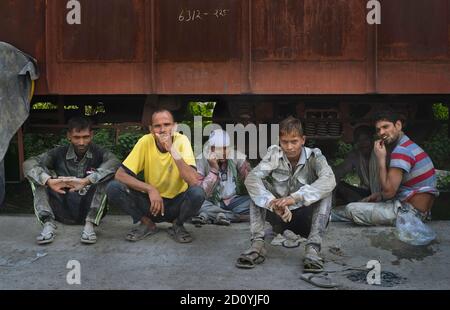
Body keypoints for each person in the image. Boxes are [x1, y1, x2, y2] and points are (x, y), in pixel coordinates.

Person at [236, 116, 336, 272]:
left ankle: (313, 249)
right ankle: (257, 245)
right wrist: (272, 203)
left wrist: (293, 198)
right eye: (285, 142)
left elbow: (329, 180)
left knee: (326, 191)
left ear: (303, 140)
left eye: (294, 141)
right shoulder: (274, 154)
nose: (289, 147)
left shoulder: (315, 157)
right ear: (279, 141)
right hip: (280, 217)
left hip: (305, 219)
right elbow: (252, 178)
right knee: (256, 185)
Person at [106, 109, 205, 243]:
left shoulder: (182, 140)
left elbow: (193, 181)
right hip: (151, 205)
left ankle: (178, 224)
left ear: (175, 127)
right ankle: (147, 223)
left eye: (167, 124)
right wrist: (150, 189)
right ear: (151, 129)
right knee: (113, 188)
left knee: (198, 193)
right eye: (157, 126)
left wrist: (172, 149)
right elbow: (120, 175)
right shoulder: (145, 141)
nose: (162, 129)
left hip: (177, 204)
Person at [23, 117, 120, 245]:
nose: (81, 142)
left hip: (90, 208)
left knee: (107, 176)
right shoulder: (57, 153)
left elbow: (115, 163)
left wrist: (87, 180)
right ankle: (48, 223)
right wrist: (48, 181)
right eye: (76, 137)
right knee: (37, 176)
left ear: (91, 135)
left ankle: (90, 225)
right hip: (61, 208)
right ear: (69, 136)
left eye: (85, 137)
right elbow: (28, 164)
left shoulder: (100, 153)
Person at [336, 111, 438, 226]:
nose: (382, 133)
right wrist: (379, 196)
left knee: (351, 209)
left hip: (410, 214)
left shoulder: (401, 151)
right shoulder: (407, 146)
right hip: (414, 210)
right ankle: (328, 215)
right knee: (361, 204)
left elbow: (389, 192)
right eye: (378, 130)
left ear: (398, 125)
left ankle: (326, 217)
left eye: (386, 127)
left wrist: (381, 158)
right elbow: (390, 191)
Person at [192, 129, 251, 226]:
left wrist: (247, 173)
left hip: (232, 201)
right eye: (219, 149)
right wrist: (214, 169)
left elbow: (250, 180)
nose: (224, 152)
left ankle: (210, 216)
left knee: (255, 203)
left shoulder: (236, 156)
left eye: (226, 148)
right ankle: (233, 217)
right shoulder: (201, 159)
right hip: (209, 202)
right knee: (195, 204)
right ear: (212, 149)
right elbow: (200, 192)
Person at [333, 125, 379, 205]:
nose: (363, 143)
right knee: (339, 185)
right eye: (359, 140)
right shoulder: (355, 155)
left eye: (365, 139)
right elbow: (340, 170)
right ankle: (360, 203)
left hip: (382, 193)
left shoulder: (380, 153)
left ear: (372, 140)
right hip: (366, 192)